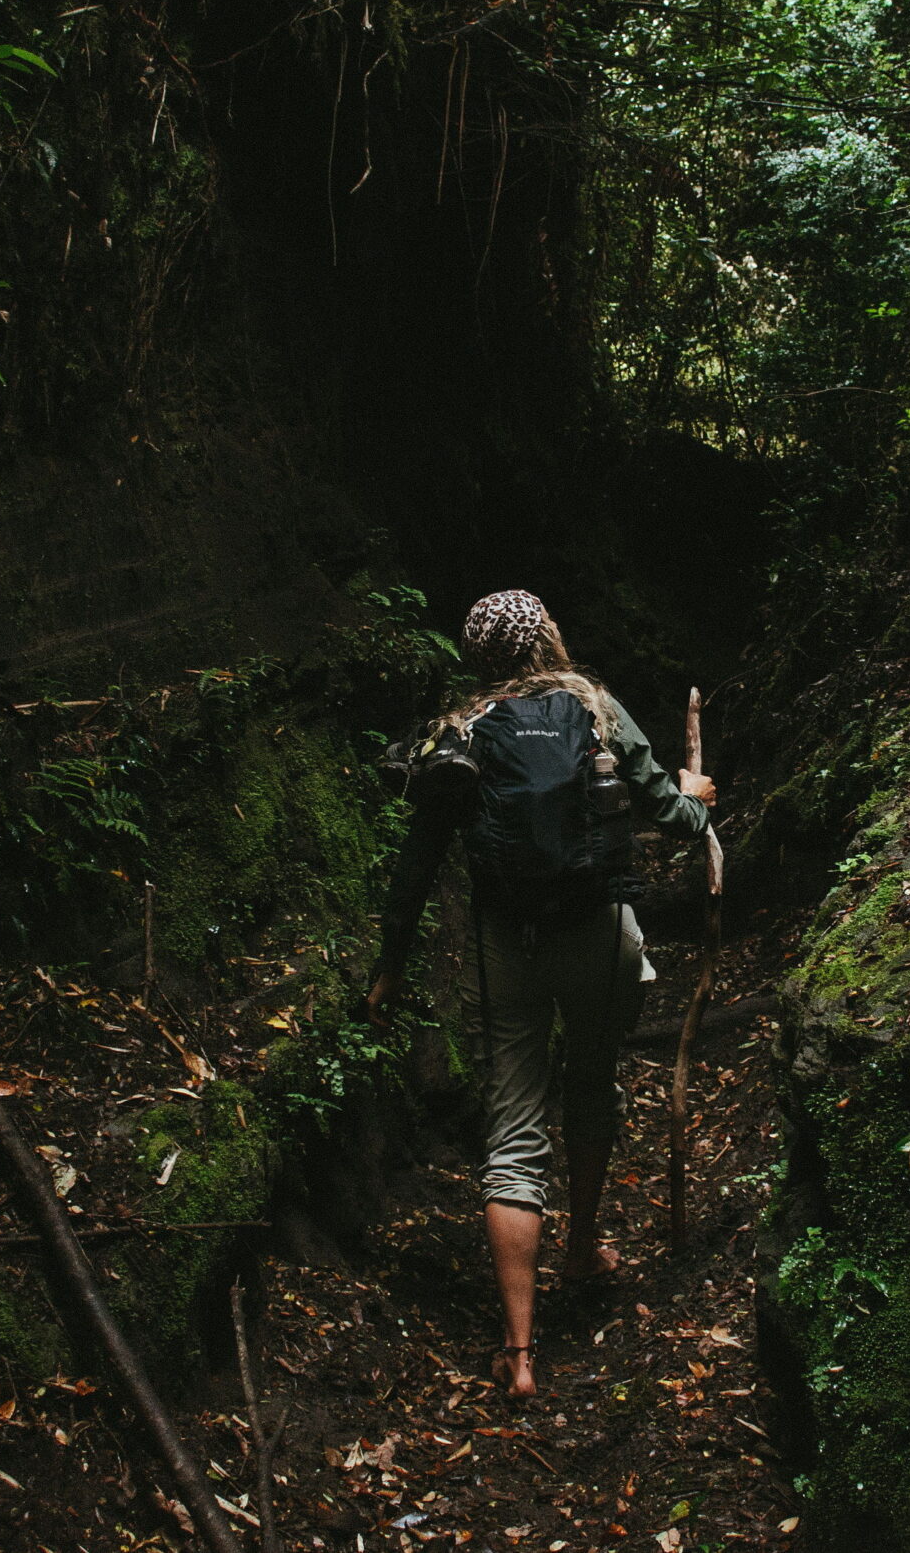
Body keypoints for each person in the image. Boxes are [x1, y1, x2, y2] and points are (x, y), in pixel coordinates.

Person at [366, 589, 714, 1398]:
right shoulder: (594, 706)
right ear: (549, 635)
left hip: (506, 946)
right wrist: (698, 800)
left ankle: (519, 1354)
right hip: (596, 932)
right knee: (592, 1082)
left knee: (513, 1128)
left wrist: (390, 961)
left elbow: (417, 858)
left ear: (481, 658)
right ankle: (583, 1246)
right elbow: (665, 808)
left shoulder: (462, 730)